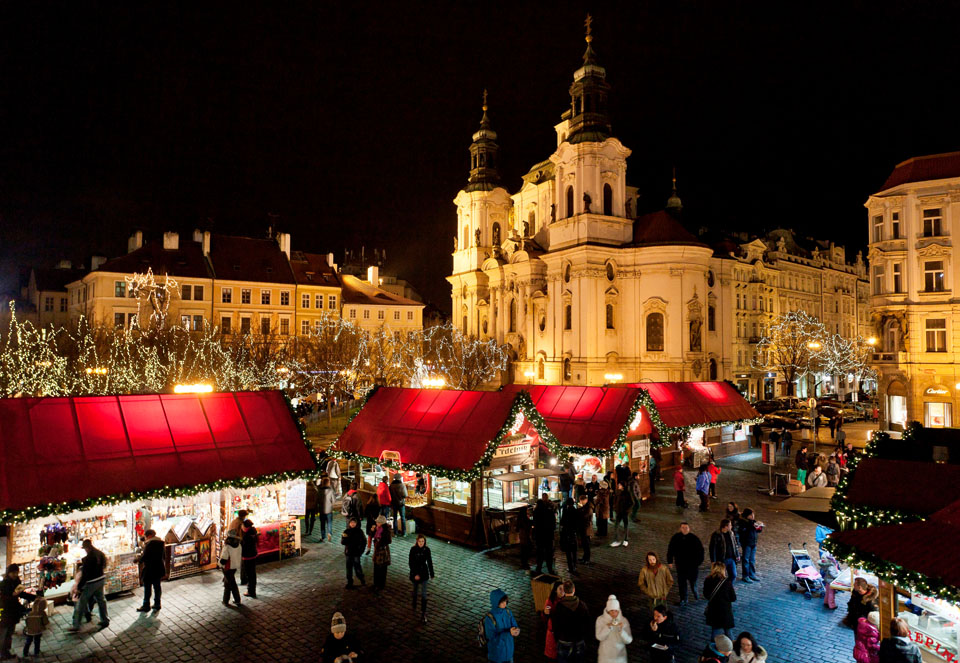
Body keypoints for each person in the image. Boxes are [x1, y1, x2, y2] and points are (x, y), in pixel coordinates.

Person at [69, 540, 109, 631]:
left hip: (91, 583)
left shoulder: (88, 559)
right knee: (101, 600)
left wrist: (79, 587)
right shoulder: (100, 553)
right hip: (101, 579)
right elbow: (104, 564)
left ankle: (76, 625)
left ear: (86, 548)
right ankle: (105, 619)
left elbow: (86, 575)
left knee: (81, 602)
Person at [552, 579, 590, 663]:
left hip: (564, 640)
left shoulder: (559, 606)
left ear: (564, 591)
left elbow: (555, 625)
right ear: (574, 590)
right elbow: (587, 623)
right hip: (578, 640)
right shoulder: (582, 605)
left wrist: (557, 638)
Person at [667, 522, 704, 605]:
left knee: (693, 582)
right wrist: (670, 561)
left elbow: (701, 551)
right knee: (682, 583)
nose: (684, 529)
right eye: (683, 528)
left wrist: (698, 563)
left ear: (689, 528)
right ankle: (683, 599)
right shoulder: (676, 538)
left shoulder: (694, 538)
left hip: (692, 566)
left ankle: (695, 593)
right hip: (680, 566)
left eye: (686, 528)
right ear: (680, 528)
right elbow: (670, 549)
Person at [484, 589, 519, 663]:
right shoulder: (489, 618)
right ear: (496, 602)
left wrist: (517, 630)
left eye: (506, 601)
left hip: (509, 653)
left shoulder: (508, 612)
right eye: (502, 602)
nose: (505, 604)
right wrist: (509, 633)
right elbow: (492, 638)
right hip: (497, 656)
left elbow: (514, 624)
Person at [703, 562, 737, 639]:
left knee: (715, 631)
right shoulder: (727, 582)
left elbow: (706, 595)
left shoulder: (708, 580)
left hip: (713, 610)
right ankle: (731, 649)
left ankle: (713, 649)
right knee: (728, 632)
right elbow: (733, 598)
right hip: (725, 611)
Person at [596, 594, 633, 663]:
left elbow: (629, 640)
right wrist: (608, 627)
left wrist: (621, 631)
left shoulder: (624, 620)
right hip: (605, 657)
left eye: (616, 611)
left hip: (620, 658)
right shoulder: (600, 620)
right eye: (611, 611)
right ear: (607, 610)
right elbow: (599, 637)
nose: (614, 613)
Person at [0, 565, 27, 657]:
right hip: (5, 611)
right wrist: (13, 595)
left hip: (13, 611)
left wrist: (34, 597)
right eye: (13, 572)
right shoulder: (4, 584)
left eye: (16, 572)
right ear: (9, 573)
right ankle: (2, 653)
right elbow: (3, 599)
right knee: (4, 633)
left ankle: (6, 652)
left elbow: (21, 594)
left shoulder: (16, 581)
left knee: (10, 632)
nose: (15, 574)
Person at [136, 529, 166, 612]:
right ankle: (157, 604)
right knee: (157, 587)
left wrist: (138, 560)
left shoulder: (150, 544)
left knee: (147, 587)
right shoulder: (161, 543)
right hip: (158, 568)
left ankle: (146, 605)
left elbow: (145, 556)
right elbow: (164, 556)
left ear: (149, 536)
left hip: (150, 569)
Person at [409, 533, 434, 623]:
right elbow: (411, 563)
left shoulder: (427, 550)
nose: (421, 543)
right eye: (419, 541)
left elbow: (429, 562)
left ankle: (423, 613)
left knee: (424, 594)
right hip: (415, 573)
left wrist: (432, 574)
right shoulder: (413, 550)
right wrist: (415, 574)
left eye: (422, 541)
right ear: (417, 541)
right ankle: (414, 603)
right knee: (415, 591)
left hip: (424, 574)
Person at [533, 493, 557, 575]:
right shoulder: (549, 512)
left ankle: (538, 568)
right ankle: (550, 569)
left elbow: (535, 524)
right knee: (549, 553)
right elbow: (554, 524)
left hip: (539, 536)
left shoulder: (536, 512)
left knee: (539, 553)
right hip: (548, 536)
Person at [737, 509, 762, 583]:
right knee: (746, 560)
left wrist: (759, 527)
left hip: (753, 543)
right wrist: (752, 526)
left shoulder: (753, 522)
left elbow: (758, 531)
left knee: (752, 560)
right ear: (747, 516)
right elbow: (743, 531)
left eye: (753, 514)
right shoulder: (743, 522)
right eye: (751, 515)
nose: (753, 516)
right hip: (747, 543)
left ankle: (752, 574)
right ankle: (745, 576)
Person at [21, 590, 48, 659]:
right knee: (37, 641)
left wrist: (27, 627)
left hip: (30, 630)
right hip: (38, 630)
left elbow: (27, 621)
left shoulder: (30, 613)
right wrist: (44, 626)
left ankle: (25, 652)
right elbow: (45, 621)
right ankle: (36, 652)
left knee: (28, 641)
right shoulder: (42, 613)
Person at [341, 517, 366, 589]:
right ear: (349, 523)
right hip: (349, 552)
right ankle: (349, 582)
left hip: (356, 552)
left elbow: (364, 541)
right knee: (349, 568)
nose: (352, 524)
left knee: (357, 566)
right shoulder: (346, 531)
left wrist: (361, 550)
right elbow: (343, 542)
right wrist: (346, 538)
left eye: (354, 523)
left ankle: (361, 579)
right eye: (351, 523)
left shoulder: (359, 531)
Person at [219, 529, 242, 606]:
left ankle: (236, 599)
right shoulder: (239, 544)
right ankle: (225, 600)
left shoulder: (227, 546)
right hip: (234, 566)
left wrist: (220, 564)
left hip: (227, 567)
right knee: (228, 582)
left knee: (231, 584)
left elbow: (224, 559)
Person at [559, 498, 580, 576]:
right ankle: (575, 565)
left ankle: (570, 567)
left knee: (568, 552)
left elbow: (562, 522)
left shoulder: (566, 511)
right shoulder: (576, 511)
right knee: (574, 551)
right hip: (573, 533)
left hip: (567, 533)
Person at [544, 581, 564, 661]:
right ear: (555, 590)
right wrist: (545, 613)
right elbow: (545, 618)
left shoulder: (566, 600)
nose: (562, 590)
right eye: (560, 589)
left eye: (564, 589)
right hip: (553, 631)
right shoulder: (550, 601)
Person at [371, 515, 392, 592]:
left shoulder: (385, 530)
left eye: (378, 522)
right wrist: (372, 531)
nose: (376, 523)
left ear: (381, 523)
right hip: (377, 550)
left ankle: (381, 584)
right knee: (376, 567)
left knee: (382, 568)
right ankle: (376, 583)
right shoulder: (377, 529)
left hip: (383, 551)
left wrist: (379, 542)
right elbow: (372, 536)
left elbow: (388, 541)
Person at [610, 482, 634, 547]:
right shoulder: (618, 492)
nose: (618, 486)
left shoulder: (628, 493)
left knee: (625, 526)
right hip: (619, 512)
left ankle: (626, 540)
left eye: (620, 485)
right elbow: (615, 500)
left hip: (625, 512)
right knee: (616, 526)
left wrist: (627, 510)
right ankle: (617, 540)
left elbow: (632, 503)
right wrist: (615, 507)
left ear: (623, 486)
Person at [241, 519, 259, 599]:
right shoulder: (253, 531)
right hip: (253, 555)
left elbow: (244, 547)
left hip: (248, 557)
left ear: (246, 527)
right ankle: (252, 590)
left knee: (249, 574)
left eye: (242, 525)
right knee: (252, 574)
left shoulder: (246, 536)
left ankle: (251, 591)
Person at [577, 494, 593, 565]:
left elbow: (584, 516)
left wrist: (580, 508)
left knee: (586, 545)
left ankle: (587, 559)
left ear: (585, 500)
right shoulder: (585, 507)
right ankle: (584, 558)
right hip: (583, 527)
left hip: (586, 528)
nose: (580, 502)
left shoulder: (588, 507)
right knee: (584, 544)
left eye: (581, 500)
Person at [319, 477, 336, 543]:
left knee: (322, 524)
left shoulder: (320, 491)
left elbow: (317, 500)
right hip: (329, 510)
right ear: (328, 483)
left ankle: (323, 536)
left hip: (322, 510)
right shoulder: (331, 491)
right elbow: (334, 501)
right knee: (329, 523)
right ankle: (329, 533)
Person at [516, 506, 532, 570]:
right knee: (526, 548)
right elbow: (528, 525)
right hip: (525, 534)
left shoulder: (520, 517)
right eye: (527, 510)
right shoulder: (524, 518)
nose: (528, 511)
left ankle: (523, 563)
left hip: (522, 534)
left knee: (523, 548)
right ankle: (525, 563)